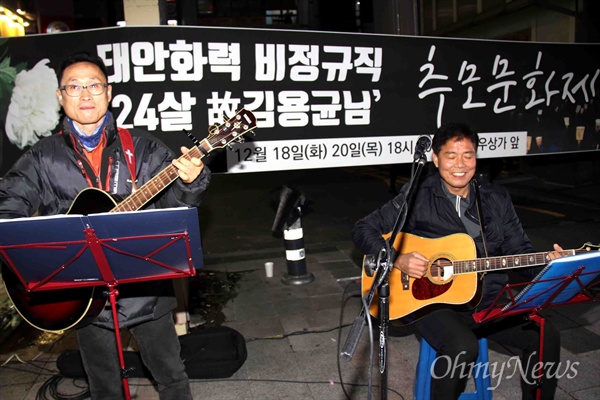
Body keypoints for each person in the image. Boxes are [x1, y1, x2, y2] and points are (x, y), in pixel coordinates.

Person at [0, 52, 211, 399]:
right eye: (74, 86)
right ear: (60, 96)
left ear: (109, 92)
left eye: (94, 85)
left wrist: (190, 182)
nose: (85, 95)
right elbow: (7, 208)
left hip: (145, 292)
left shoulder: (142, 148)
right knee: (104, 388)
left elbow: (174, 210)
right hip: (82, 298)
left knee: (172, 377)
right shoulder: (43, 156)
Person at [352, 122, 564, 400]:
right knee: (462, 345)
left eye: (469, 155)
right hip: (432, 301)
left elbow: (520, 251)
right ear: (436, 159)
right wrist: (397, 259)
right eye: (451, 155)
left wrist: (550, 263)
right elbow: (363, 229)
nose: (460, 164)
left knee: (545, 333)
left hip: (489, 299)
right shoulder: (418, 196)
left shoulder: (496, 198)